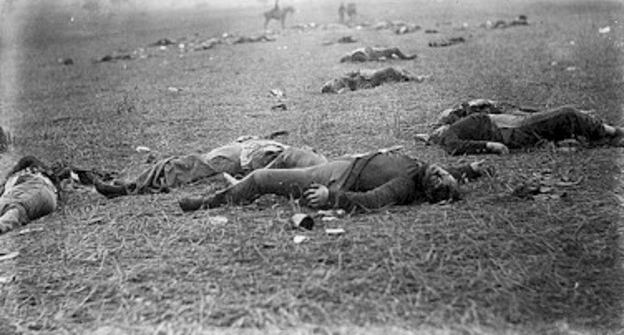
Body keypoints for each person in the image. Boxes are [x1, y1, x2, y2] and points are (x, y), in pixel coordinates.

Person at [178, 148, 492, 213]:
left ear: (429, 190)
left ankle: (209, 203)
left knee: (261, 179)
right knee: (292, 153)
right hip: (340, 164)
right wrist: (470, 169)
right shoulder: (424, 170)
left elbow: (372, 201)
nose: (440, 173)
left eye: (439, 179)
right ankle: (239, 185)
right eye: (443, 173)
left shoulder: (406, 184)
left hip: (335, 179)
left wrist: (331, 198)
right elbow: (444, 173)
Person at [91, 138, 327, 198]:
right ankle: (131, 185)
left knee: (184, 166)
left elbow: (277, 165)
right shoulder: (320, 166)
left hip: (245, 156)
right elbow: (284, 159)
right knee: (186, 165)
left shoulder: (319, 170)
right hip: (250, 151)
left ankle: (129, 187)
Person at [427, 105, 624, 155]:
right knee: (567, 113)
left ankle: (604, 137)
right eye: (435, 132)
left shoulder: (453, 126)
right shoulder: (448, 135)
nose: (437, 129)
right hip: (510, 129)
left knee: (558, 121)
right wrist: (490, 146)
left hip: (511, 123)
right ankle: (614, 132)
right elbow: (455, 147)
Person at [0, 156, 60, 235]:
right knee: (17, 210)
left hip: (38, 186)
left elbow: (28, 160)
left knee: (17, 207)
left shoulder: (26, 175)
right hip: (50, 199)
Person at [321, 67, 427, 94]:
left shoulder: (340, 80)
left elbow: (354, 74)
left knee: (396, 71)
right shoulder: (341, 83)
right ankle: (416, 78)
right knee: (390, 70)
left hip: (367, 77)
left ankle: (414, 77)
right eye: (331, 84)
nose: (334, 81)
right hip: (367, 81)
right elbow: (347, 88)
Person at [339, 46, 417, 63]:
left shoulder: (354, 53)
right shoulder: (355, 55)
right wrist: (378, 59)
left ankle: (401, 57)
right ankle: (406, 58)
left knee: (392, 52)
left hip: (375, 52)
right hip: (376, 53)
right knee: (395, 49)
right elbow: (367, 59)